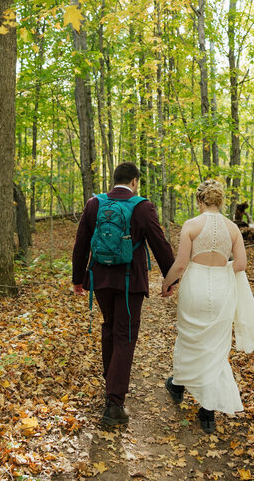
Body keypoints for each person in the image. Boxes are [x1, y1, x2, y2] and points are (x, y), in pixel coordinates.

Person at [72, 161, 174, 426]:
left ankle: (111, 388)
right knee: (125, 335)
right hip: (130, 281)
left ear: (114, 179)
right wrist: (170, 278)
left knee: (109, 329)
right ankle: (114, 404)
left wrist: (78, 279)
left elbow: (81, 242)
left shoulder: (94, 204)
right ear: (134, 181)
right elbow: (159, 243)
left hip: (100, 278)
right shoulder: (142, 207)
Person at [161, 179, 254, 433]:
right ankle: (206, 413)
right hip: (222, 288)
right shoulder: (232, 229)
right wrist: (221, 268)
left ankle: (178, 386)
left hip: (195, 286)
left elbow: (181, 264)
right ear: (220, 201)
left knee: (189, 337)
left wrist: (166, 284)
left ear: (200, 201)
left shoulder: (191, 226)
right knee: (215, 346)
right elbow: (241, 265)